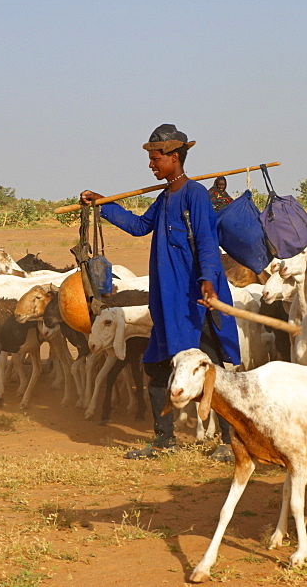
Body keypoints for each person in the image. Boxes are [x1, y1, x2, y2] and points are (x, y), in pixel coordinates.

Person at [81, 124, 240, 461]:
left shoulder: (195, 195)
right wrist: (103, 204)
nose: (151, 165)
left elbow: (208, 242)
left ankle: (229, 442)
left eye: (156, 159)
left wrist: (209, 280)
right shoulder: (165, 197)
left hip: (195, 299)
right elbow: (140, 227)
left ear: (174, 157)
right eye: (151, 159)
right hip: (167, 300)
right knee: (156, 366)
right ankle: (164, 442)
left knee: (212, 367)